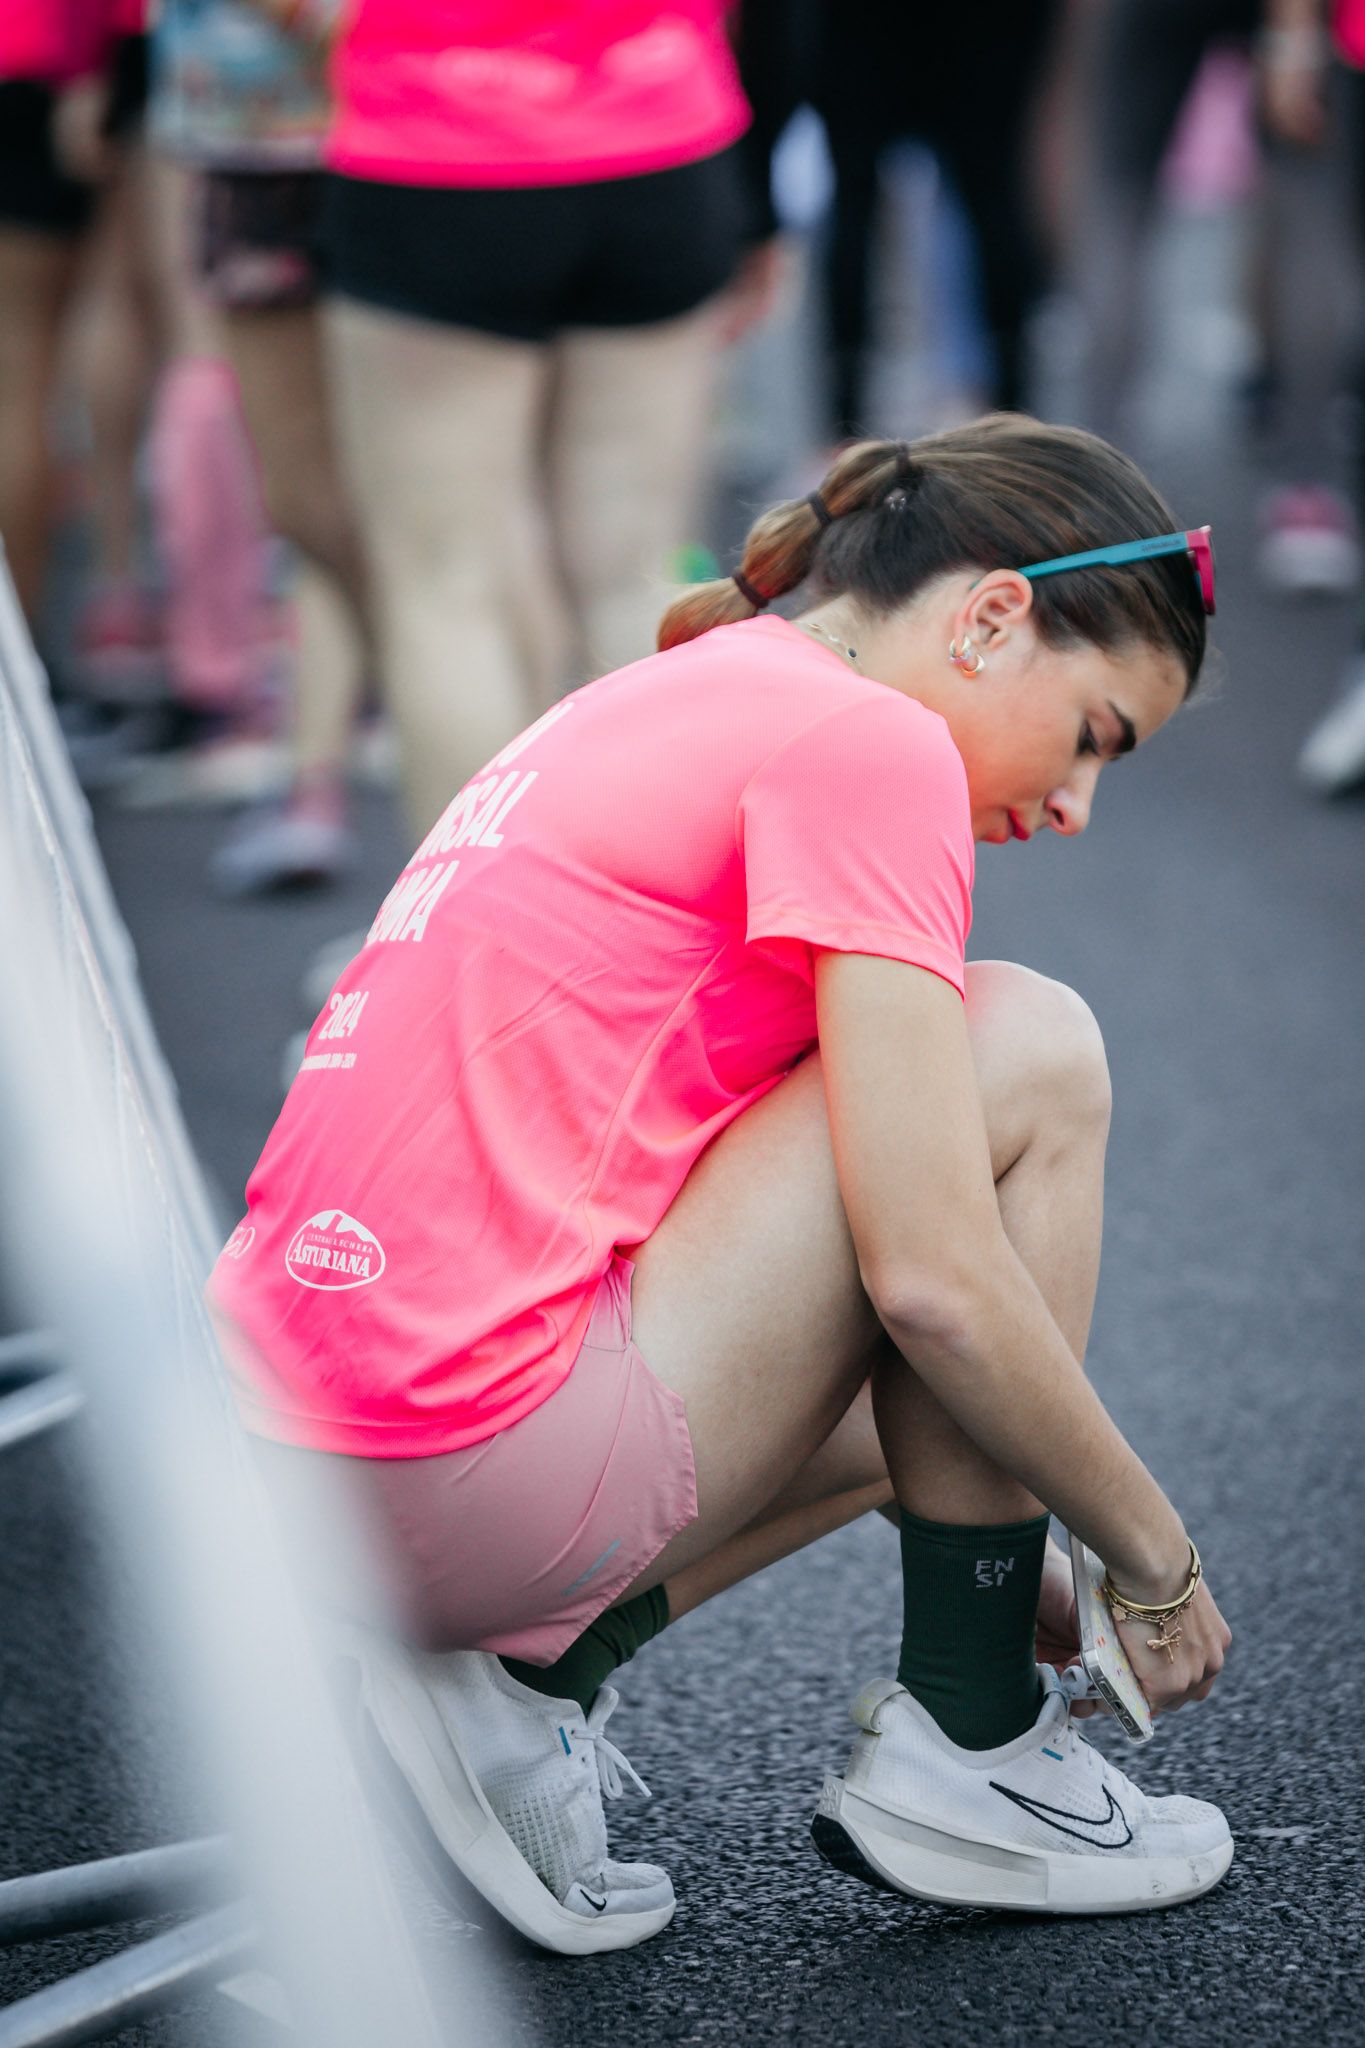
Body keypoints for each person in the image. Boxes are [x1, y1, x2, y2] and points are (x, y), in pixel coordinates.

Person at [210, 415, 1234, 1957]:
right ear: (988, 617)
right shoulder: (871, 745)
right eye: (1094, 735)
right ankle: (974, 1751)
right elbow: (933, 1285)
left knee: (948, 1264)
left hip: (276, 1463)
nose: (1075, 805)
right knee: (1025, 1050)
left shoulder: (680, 685)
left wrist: (1009, 1519)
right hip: (450, 1477)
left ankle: (519, 1684)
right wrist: (1152, 1560)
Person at [319, 0, 757, 840]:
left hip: (437, 146)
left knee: (447, 586)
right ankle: (652, 902)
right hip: (659, 133)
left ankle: (477, 916)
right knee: (636, 574)